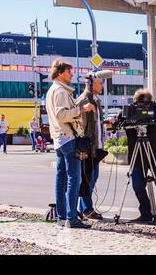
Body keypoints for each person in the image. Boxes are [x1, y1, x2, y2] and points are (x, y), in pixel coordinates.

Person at [46, 59, 95, 229]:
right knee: (74, 179)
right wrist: (82, 109)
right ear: (60, 73)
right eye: (68, 71)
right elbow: (61, 115)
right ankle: (71, 218)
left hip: (59, 139)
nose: (71, 74)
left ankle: (61, 217)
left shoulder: (52, 90)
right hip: (67, 138)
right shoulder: (60, 91)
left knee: (61, 179)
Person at [122, 89, 156, 226]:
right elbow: (118, 122)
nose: (143, 109)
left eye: (146, 106)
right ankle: (146, 213)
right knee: (137, 184)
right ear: (134, 101)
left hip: (155, 153)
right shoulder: (129, 109)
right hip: (137, 154)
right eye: (140, 105)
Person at [76, 76, 106, 221]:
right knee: (87, 179)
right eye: (100, 83)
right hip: (88, 149)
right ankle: (86, 209)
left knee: (92, 179)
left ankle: (84, 208)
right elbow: (81, 128)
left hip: (96, 148)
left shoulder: (96, 100)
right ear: (91, 84)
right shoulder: (84, 101)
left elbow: (96, 124)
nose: (102, 86)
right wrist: (83, 150)